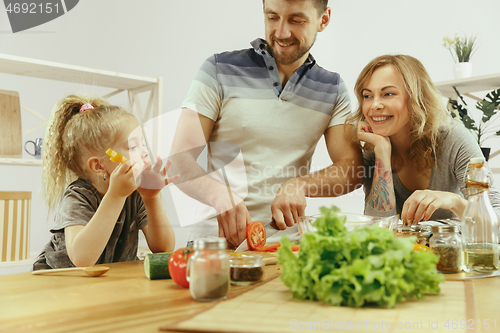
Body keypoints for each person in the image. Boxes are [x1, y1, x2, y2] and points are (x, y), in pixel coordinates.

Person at [170, 0, 363, 247]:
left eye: (296, 20)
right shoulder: (218, 69)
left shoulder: (333, 89)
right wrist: (219, 195)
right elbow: (178, 157)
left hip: (286, 249)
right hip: (213, 245)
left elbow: (351, 168)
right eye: (272, 17)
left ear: (323, 20)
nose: (281, 33)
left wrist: (301, 185)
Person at [349, 54, 500, 226]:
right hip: (410, 252)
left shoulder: (454, 139)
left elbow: (495, 216)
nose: (374, 105)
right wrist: (382, 153)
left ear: (416, 98)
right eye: (367, 96)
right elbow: (377, 229)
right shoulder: (373, 152)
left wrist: (454, 201)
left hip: (451, 249)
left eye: (388, 93)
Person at [33, 94, 177, 270]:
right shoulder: (77, 196)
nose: (145, 152)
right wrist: (116, 196)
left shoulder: (137, 192)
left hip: (109, 281)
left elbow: (164, 249)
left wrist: (152, 199)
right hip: (62, 281)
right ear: (99, 165)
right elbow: (82, 259)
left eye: (143, 144)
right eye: (133, 147)